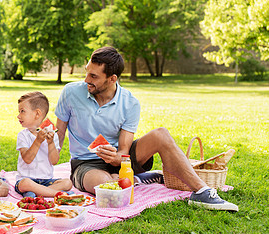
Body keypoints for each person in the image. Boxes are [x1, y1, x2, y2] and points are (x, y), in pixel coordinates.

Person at [54, 46, 238, 212]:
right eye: (87, 73)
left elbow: (124, 151)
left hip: (119, 159)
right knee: (110, 189)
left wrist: (117, 157)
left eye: (94, 76)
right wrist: (47, 159)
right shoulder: (71, 92)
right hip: (86, 164)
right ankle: (138, 179)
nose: (86, 80)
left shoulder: (130, 102)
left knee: (161, 134)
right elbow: (59, 133)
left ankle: (202, 191)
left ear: (112, 79)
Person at [15, 92, 73, 198]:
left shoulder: (53, 135)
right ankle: (58, 194)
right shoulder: (23, 135)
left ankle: (37, 193)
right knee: (25, 183)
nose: (18, 115)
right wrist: (38, 141)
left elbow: (54, 161)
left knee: (67, 183)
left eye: (22, 111)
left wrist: (50, 143)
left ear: (37, 113)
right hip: (27, 179)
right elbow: (27, 159)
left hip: (47, 181)